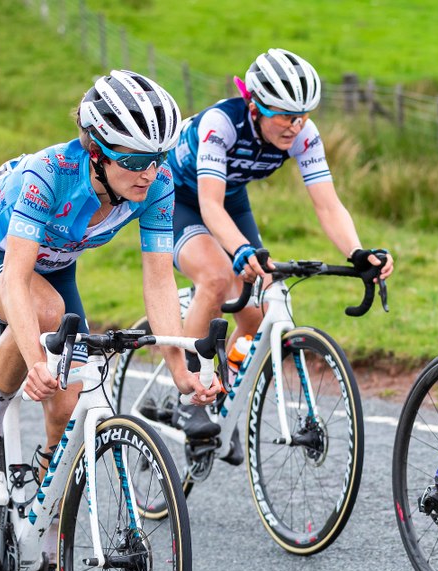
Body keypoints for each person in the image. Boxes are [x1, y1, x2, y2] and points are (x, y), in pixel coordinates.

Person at [0, 70, 220, 571]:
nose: (148, 172)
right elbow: (19, 281)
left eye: (157, 157)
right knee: (47, 319)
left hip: (56, 270)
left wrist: (182, 366)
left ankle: (46, 558)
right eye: (133, 160)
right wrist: (37, 358)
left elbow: (161, 282)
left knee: (69, 410)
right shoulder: (50, 176)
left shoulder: (158, 183)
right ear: (96, 149)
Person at [166, 47, 393, 445]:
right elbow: (208, 205)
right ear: (255, 106)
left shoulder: (303, 134)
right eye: (285, 115)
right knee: (218, 277)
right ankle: (189, 395)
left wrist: (357, 253)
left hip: (229, 196)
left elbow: (327, 203)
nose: (295, 125)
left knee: (256, 314)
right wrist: (239, 252)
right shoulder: (222, 124)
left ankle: (218, 390)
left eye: (303, 114)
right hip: (174, 198)